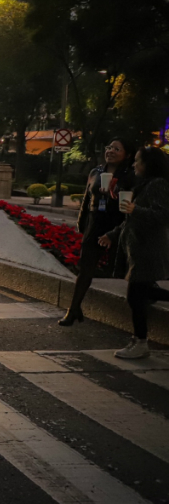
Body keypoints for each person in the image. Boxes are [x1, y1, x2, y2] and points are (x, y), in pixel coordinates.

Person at [99, 147, 169, 359]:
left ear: (149, 164)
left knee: (135, 296)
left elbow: (163, 215)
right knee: (142, 294)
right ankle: (138, 341)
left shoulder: (158, 185)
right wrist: (112, 234)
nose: (133, 165)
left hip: (148, 249)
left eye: (137, 160)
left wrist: (134, 209)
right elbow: (131, 221)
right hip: (138, 248)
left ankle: (140, 342)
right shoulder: (145, 185)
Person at [60, 137, 137, 325]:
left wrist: (114, 192)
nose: (110, 151)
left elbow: (132, 203)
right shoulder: (96, 171)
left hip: (117, 224)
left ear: (126, 155)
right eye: (109, 147)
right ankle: (73, 309)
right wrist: (82, 223)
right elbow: (87, 199)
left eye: (117, 149)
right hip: (95, 223)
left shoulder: (130, 175)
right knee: (85, 268)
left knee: (124, 268)